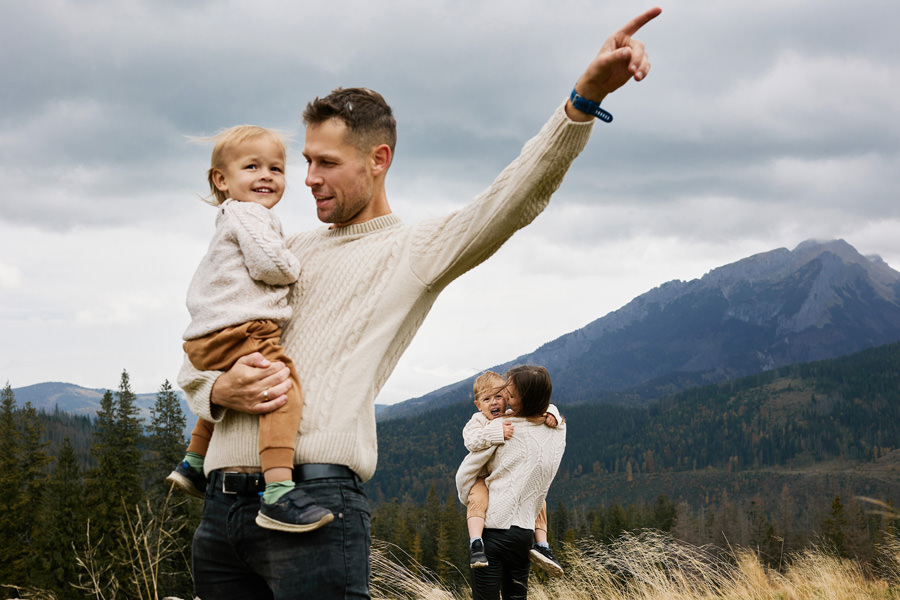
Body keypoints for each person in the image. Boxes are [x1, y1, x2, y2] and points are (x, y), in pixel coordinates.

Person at [178, 8, 660, 598]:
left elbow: (511, 198)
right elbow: (200, 346)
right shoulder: (280, 251)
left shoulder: (413, 250)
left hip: (315, 508)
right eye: (306, 161)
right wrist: (216, 391)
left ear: (378, 160)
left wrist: (582, 102)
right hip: (220, 516)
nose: (307, 178)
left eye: (326, 163)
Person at [168, 125, 333, 533]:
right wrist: (291, 265)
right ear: (221, 180)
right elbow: (270, 264)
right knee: (280, 388)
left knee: (234, 386)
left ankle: (193, 462)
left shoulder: (228, 219)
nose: (266, 176)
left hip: (207, 335)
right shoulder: (250, 214)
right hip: (243, 328)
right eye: (252, 167)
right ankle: (278, 491)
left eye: (276, 168)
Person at [457, 366, 566, 600]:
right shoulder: (557, 429)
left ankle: (476, 541)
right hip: (524, 534)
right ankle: (543, 546)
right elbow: (547, 407)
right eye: (489, 398)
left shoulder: (505, 427)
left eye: (508, 395)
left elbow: (466, 471)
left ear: (521, 399)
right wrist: (553, 414)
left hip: (493, 530)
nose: (501, 399)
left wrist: (467, 491)